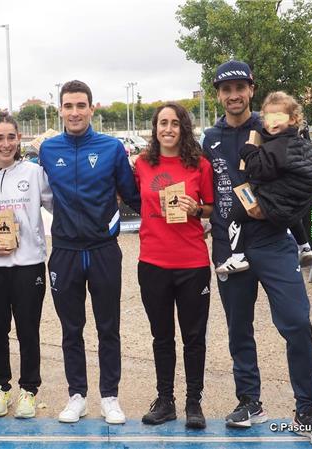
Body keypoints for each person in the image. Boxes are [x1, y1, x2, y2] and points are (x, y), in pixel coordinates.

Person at [202, 60, 312, 448]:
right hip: (229, 245)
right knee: (239, 328)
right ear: (218, 94)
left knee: (297, 324)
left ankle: (308, 413)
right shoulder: (209, 137)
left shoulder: (272, 125)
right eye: (225, 89)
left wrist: (281, 210)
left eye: (240, 88)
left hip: (273, 240)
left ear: (250, 89)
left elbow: (305, 176)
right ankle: (249, 402)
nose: (233, 95)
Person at [39, 80, 141, 425]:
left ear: (91, 108)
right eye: (68, 106)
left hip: (103, 250)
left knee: (108, 327)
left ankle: (109, 397)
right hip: (65, 251)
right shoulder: (49, 150)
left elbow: (132, 195)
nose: (75, 112)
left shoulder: (111, 148)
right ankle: (77, 396)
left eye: (81, 105)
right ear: (61, 110)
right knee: (71, 329)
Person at [0, 112, 53, 419]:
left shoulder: (34, 173)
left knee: (28, 330)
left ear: (20, 139)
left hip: (28, 264)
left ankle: (28, 390)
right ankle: (0, 388)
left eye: (11, 137)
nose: (5, 144)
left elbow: (54, 205)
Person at [134, 103, 213, 428]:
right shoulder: (141, 163)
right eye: (162, 123)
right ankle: (165, 400)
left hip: (192, 263)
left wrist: (196, 209)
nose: (167, 129)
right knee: (161, 336)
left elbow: (210, 208)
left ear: (183, 127)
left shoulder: (200, 165)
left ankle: (194, 403)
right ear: (155, 128)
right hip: (153, 262)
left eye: (174, 123)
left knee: (194, 337)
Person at [215, 91, 312, 275]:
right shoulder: (302, 142)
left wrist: (248, 152)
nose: (272, 122)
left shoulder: (278, 145)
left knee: (235, 214)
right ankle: (304, 247)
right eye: (268, 117)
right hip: (294, 204)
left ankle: (237, 257)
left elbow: (260, 169)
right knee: (292, 218)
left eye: (278, 116)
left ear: (293, 119)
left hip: (274, 205)